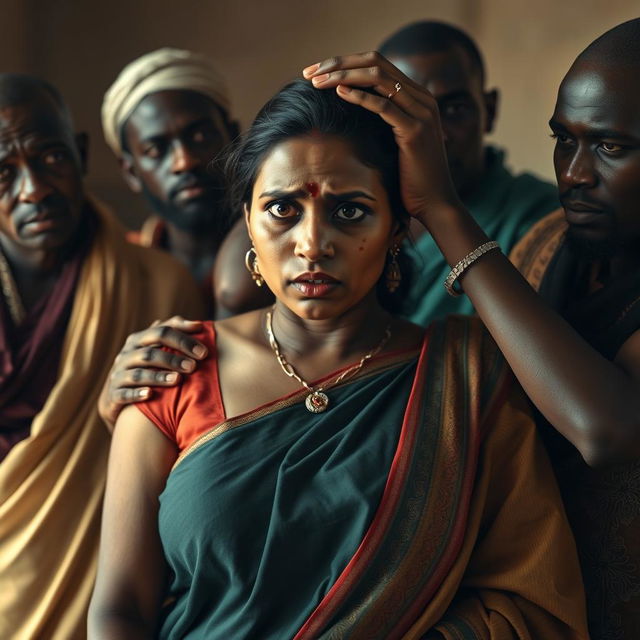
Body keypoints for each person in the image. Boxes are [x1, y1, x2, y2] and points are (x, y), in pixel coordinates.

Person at [88, 73, 587, 638]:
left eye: (350, 211)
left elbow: (528, 606)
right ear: (247, 221)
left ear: (397, 228)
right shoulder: (174, 369)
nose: (312, 243)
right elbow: (120, 609)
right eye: (282, 209)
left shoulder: (463, 379)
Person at [0, 73, 203, 639]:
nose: (33, 189)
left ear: (82, 153)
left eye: (50, 157)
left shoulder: (160, 287)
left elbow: (197, 469)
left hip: (109, 595)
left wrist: (125, 416)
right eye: (3, 173)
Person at [507, 18, 640, 638]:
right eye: (564, 140)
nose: (573, 174)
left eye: (610, 146)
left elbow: (603, 432)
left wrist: (448, 216)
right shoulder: (543, 244)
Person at [378, 21, 559, 325]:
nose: (433, 135)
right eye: (406, 112)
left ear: (489, 111)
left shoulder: (546, 219)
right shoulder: (356, 212)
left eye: (454, 109)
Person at [102, 47, 261, 317]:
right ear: (130, 172)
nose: (184, 161)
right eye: (156, 150)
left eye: (200, 137)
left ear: (234, 138)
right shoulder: (116, 270)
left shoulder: (289, 252)